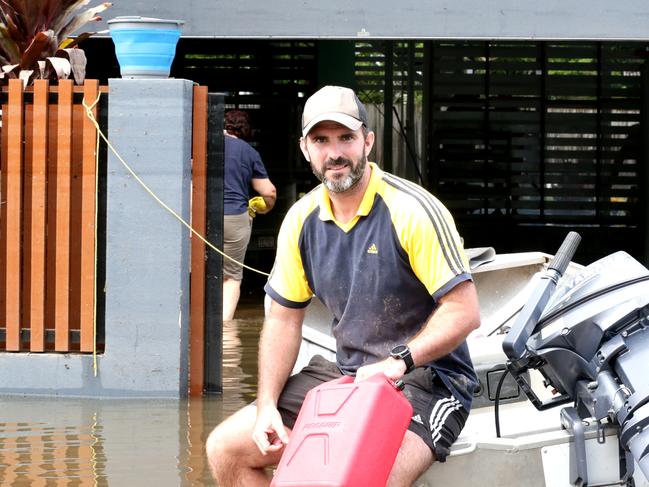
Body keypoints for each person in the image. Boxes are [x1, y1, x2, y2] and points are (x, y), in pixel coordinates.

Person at [207, 86, 480, 486]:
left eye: (346, 138)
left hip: (429, 380)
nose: (334, 153)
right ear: (305, 149)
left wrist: (396, 362)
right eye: (321, 140)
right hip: (347, 372)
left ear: (367, 141)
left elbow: (464, 310)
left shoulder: (412, 210)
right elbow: (283, 321)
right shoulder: (301, 219)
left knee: (364, 474)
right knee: (225, 448)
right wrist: (266, 405)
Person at [223, 109, 276, 321]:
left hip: (198, 216)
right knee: (231, 277)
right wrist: (263, 207)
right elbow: (268, 191)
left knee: (196, 272)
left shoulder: (201, 142)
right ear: (246, 131)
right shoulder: (248, 152)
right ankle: (224, 334)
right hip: (235, 217)